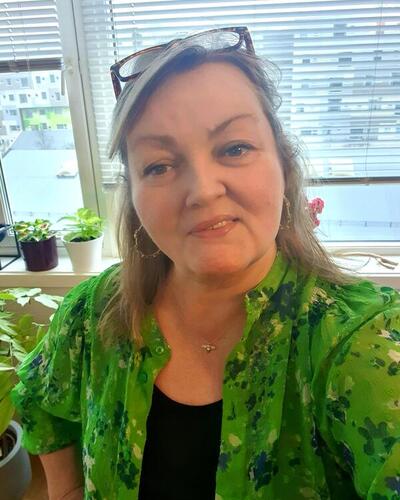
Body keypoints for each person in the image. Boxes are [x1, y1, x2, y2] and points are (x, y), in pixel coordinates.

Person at [11, 27, 400, 500]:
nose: (202, 191)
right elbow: (40, 399)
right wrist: (67, 490)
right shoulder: (94, 313)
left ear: (283, 163)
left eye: (235, 148)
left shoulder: (360, 346)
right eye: (159, 165)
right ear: (133, 194)